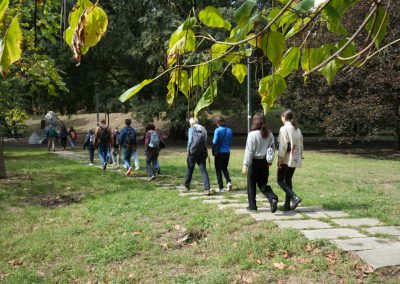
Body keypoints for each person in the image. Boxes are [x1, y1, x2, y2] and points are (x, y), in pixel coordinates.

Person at [242, 112, 278, 213]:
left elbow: (249, 151)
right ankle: (272, 198)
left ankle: (252, 206)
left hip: (254, 162)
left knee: (251, 185)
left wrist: (245, 165)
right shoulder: (269, 133)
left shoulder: (252, 135)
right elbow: (272, 149)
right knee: (263, 184)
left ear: (254, 122)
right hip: (264, 162)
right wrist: (270, 161)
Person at [277, 109, 303, 211]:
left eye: (281, 117)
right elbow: (301, 144)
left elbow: (282, 146)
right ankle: (287, 204)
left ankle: (294, 197)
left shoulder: (283, 129)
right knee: (288, 180)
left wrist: (279, 159)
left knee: (280, 180)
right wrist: (301, 155)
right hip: (295, 158)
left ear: (284, 117)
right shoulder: (297, 129)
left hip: (286, 158)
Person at [184, 118, 211, 195]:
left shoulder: (191, 128)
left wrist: (188, 150)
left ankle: (186, 186)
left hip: (192, 152)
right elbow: (205, 140)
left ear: (191, 123)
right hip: (202, 152)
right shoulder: (203, 129)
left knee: (189, 169)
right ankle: (207, 188)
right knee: (203, 170)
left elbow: (190, 141)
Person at [212, 116, 233, 192]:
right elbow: (230, 143)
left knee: (218, 170)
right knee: (224, 168)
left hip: (219, 153)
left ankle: (221, 188)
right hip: (227, 152)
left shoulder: (217, 130)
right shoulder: (230, 130)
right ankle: (229, 182)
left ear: (218, 122)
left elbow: (214, 142)